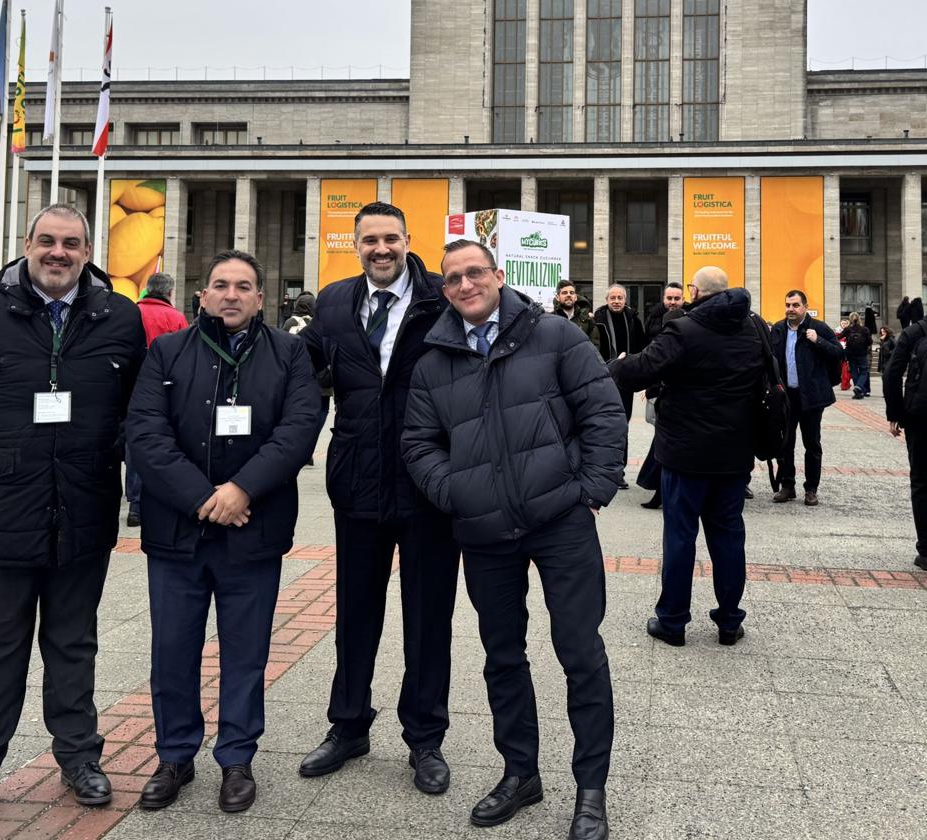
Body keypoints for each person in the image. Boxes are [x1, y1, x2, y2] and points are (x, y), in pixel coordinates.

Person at [0, 204, 147, 834]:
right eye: (47, 241)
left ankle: (78, 760)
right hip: (1, 508)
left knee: (73, 644)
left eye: (71, 244)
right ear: (27, 245)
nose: (58, 253)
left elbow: (135, 401)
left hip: (83, 505)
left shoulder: (118, 316)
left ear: (86, 251)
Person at [402, 239, 624, 836]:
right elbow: (419, 445)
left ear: (499, 275)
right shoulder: (433, 360)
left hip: (561, 522)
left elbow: (602, 410)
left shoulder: (553, 334)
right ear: (443, 289)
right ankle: (520, 772)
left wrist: (592, 488)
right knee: (503, 656)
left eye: (475, 272)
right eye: (453, 278)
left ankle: (590, 788)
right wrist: (458, 494)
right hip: (485, 533)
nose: (465, 284)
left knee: (581, 653)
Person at [128, 250, 320, 814]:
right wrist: (203, 498)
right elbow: (145, 431)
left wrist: (241, 491)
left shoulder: (289, 352)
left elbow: (300, 427)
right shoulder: (168, 350)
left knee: (246, 653)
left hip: (252, 532)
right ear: (202, 296)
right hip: (177, 534)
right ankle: (174, 755)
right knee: (173, 651)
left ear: (261, 298)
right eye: (220, 285)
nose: (231, 295)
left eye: (244, 286)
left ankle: (237, 758)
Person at [300, 202, 461, 795]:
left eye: (390, 238)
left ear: (407, 240)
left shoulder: (442, 299)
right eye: (370, 240)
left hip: (429, 487)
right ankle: (348, 725)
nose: (381, 249)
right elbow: (301, 376)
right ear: (356, 244)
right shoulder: (335, 302)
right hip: (359, 483)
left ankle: (425, 738)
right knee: (355, 613)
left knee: (428, 618)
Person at [609, 266, 767, 648]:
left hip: (685, 454)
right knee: (729, 537)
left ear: (694, 291)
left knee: (680, 537)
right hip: (734, 454)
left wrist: (617, 364)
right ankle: (729, 621)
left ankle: (673, 621)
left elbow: (640, 371)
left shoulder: (684, 329)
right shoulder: (755, 327)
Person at [126, 272, 189, 527]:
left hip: (131, 386)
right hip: (165, 389)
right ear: (170, 293)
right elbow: (186, 358)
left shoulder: (131, 313)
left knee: (134, 441)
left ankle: (134, 500)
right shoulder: (175, 317)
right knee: (162, 439)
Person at [769, 290, 843, 507]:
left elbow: (838, 353)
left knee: (812, 443)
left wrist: (817, 340)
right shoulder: (780, 329)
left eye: (795, 305)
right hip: (787, 396)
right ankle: (787, 485)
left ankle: (811, 488)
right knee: (786, 443)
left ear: (805, 306)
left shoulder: (818, 328)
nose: (790, 309)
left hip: (810, 397)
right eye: (787, 305)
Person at [636, 282, 687, 509]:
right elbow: (650, 357)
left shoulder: (688, 322)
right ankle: (661, 490)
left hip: (680, 393)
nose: (673, 302)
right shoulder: (654, 320)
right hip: (662, 390)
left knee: (667, 444)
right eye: (670, 298)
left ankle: (662, 492)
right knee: (663, 442)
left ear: (683, 300)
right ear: (663, 299)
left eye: (677, 298)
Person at [883, 318, 927, 571]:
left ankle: (926, 550)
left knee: (921, 480)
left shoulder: (913, 332)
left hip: (920, 418)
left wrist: (896, 414)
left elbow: (891, 374)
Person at [592, 284, 645, 489]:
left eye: (620, 297)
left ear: (625, 300)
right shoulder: (597, 319)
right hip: (602, 378)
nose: (616, 301)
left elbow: (642, 348)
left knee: (622, 426)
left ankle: (618, 471)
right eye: (612, 297)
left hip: (625, 380)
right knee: (601, 426)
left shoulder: (633, 320)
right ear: (607, 299)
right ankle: (601, 470)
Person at [551, 280, 600, 349]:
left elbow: (594, 346)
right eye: (564, 293)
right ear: (558, 297)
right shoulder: (550, 320)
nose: (568, 295)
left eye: (571, 293)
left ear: (576, 297)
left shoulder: (588, 320)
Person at [842, 311, 873, 399]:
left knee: (854, 371)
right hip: (862, 354)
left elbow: (839, 336)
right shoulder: (864, 329)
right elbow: (870, 342)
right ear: (859, 318)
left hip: (850, 354)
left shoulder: (847, 329)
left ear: (850, 320)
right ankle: (859, 387)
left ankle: (858, 392)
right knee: (864, 371)